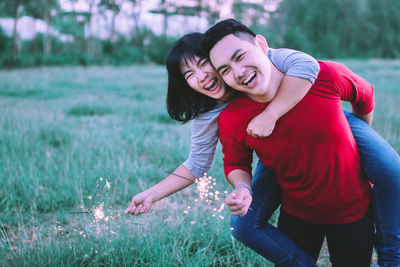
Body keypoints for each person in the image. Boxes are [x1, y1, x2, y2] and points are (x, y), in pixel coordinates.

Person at [126, 31, 400, 266]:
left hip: (323, 116)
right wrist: (151, 194)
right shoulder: (210, 113)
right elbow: (200, 164)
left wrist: (271, 115)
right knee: (244, 224)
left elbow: (309, 67)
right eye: (189, 74)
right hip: (268, 148)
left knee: (390, 169)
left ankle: (392, 258)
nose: (202, 76)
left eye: (203, 65)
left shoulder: (265, 60)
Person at [204, 19, 400, 266]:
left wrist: (360, 137)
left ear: (261, 45)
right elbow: (235, 162)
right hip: (297, 216)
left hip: (353, 213)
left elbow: (365, 95)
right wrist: (242, 188)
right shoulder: (233, 118)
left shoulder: (325, 76)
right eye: (225, 70)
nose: (239, 72)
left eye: (240, 57)